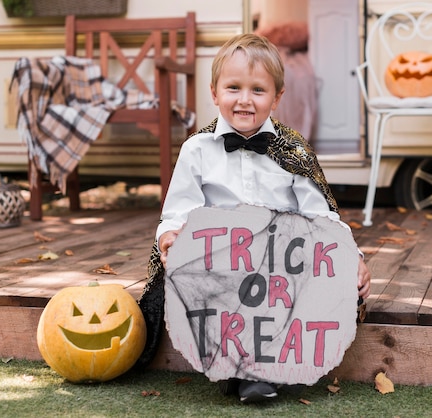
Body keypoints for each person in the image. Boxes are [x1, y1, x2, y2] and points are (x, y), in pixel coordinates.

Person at [137, 33, 371, 403]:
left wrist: (350, 256)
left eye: (258, 91)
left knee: (301, 281)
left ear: (277, 97)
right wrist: (171, 237)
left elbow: (320, 215)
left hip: (281, 262)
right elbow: (176, 213)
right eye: (233, 88)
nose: (244, 100)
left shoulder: (293, 150)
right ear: (214, 93)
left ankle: (263, 365)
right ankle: (247, 369)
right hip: (220, 261)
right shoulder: (197, 150)